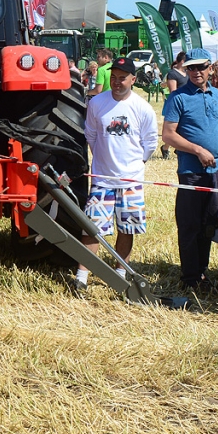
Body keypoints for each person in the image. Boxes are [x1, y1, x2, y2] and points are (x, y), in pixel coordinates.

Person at [75, 57, 158, 291]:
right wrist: (102, 160)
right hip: (102, 179)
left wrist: (135, 164)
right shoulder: (97, 103)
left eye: (122, 78)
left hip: (130, 180)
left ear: (133, 79)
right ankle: (82, 277)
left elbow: (150, 143)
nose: (117, 82)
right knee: (92, 227)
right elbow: (91, 135)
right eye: (113, 77)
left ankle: (121, 273)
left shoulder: (142, 108)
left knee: (127, 227)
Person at [161, 48, 218, 290]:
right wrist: (198, 150)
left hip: (215, 170)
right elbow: (168, 135)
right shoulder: (178, 98)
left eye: (201, 67)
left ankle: (202, 272)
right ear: (186, 70)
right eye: (191, 68)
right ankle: (190, 277)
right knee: (190, 225)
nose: (196, 72)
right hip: (191, 172)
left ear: (210, 68)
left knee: (209, 223)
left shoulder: (216, 93)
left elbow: (217, 128)